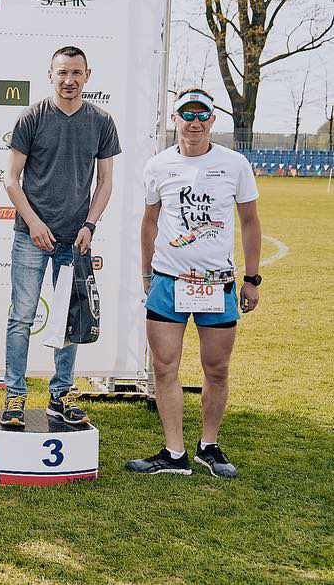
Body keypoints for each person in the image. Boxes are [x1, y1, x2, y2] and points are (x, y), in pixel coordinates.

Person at [126, 89, 261, 478]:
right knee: (164, 366)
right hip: (169, 282)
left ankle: (209, 446)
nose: (195, 122)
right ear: (176, 119)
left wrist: (251, 279)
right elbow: (149, 223)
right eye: (188, 114)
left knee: (216, 368)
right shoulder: (158, 165)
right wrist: (147, 275)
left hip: (217, 283)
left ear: (213, 120)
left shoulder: (235, 165)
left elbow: (250, 221)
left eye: (203, 114)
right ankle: (174, 452)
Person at [1, 45, 120, 428]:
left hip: (75, 240)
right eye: (62, 73)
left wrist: (90, 225)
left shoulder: (101, 121)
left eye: (76, 73)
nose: (69, 80)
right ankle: (15, 396)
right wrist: (34, 224)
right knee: (21, 317)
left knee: (70, 318)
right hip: (31, 236)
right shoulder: (32, 118)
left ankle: (61, 394)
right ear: (50, 75)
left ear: (87, 76)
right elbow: (10, 180)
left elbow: (105, 182)